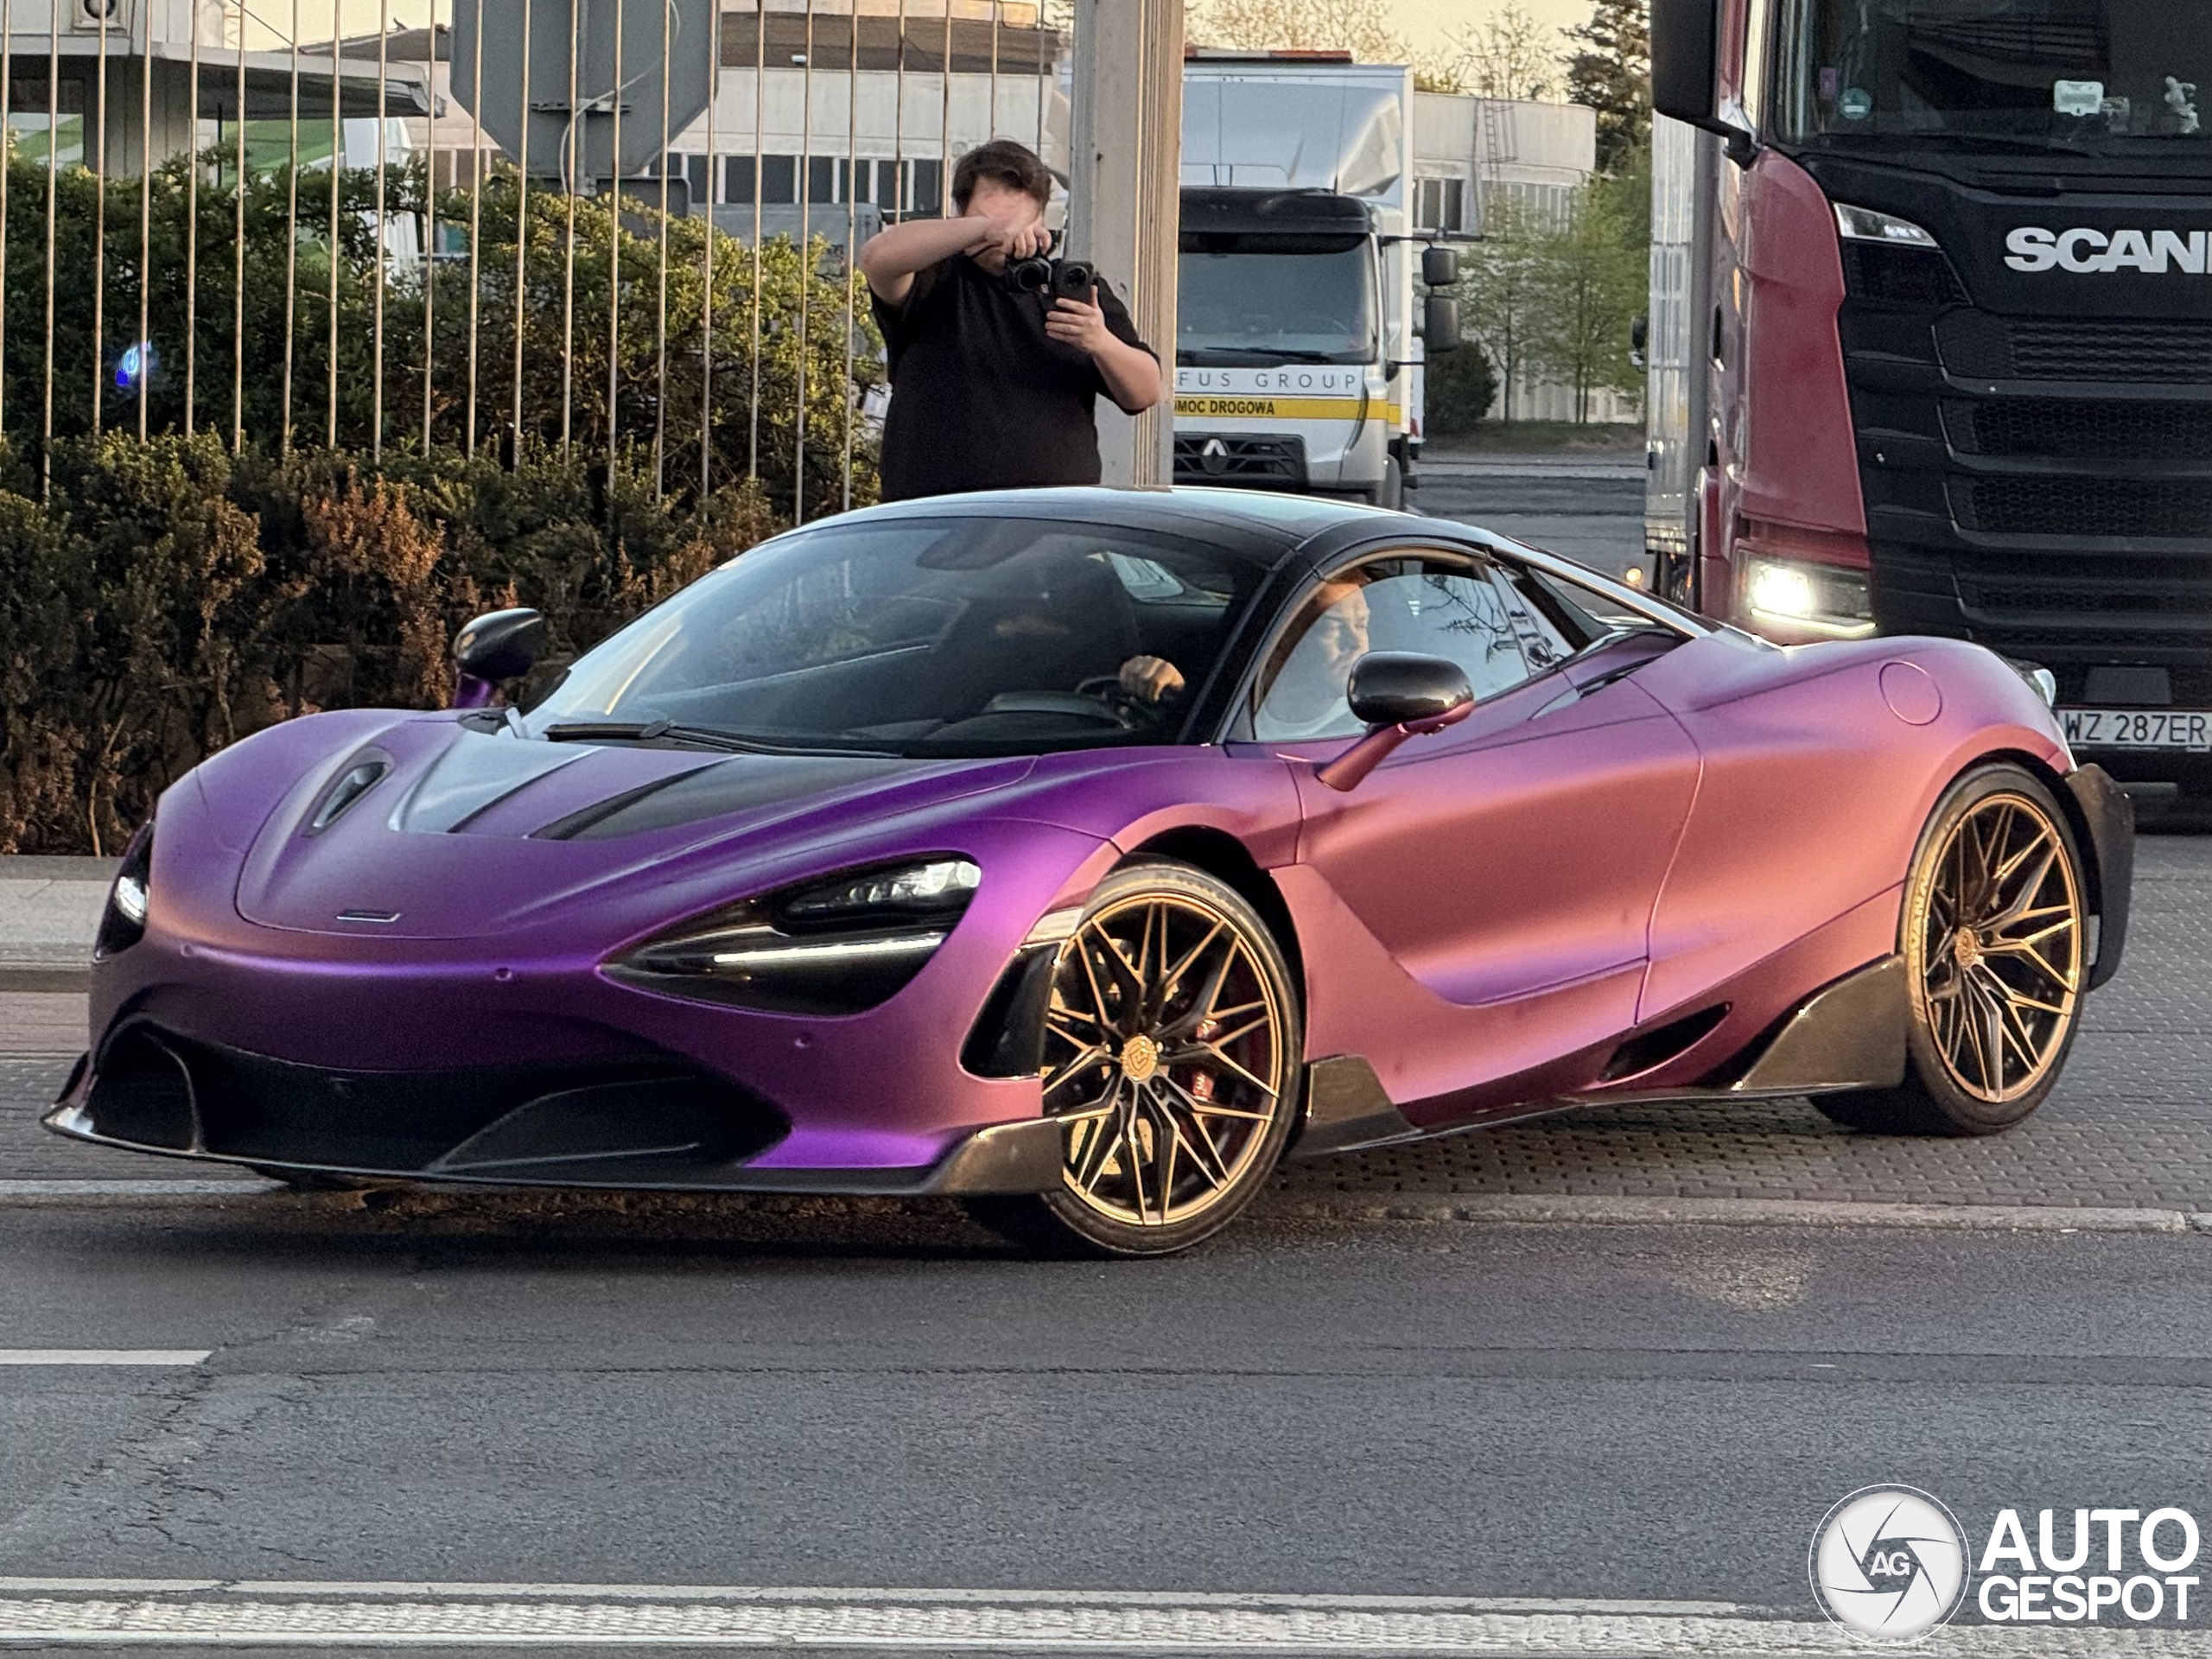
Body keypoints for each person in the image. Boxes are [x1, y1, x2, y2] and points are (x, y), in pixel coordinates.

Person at [858, 139, 1164, 504]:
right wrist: (983, 229)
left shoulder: (1070, 287)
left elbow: (1145, 391)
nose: (1004, 238)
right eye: (989, 218)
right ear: (961, 210)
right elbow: (878, 256)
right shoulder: (932, 276)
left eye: (1018, 222)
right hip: (934, 517)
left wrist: (1100, 340)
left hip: (1049, 523)